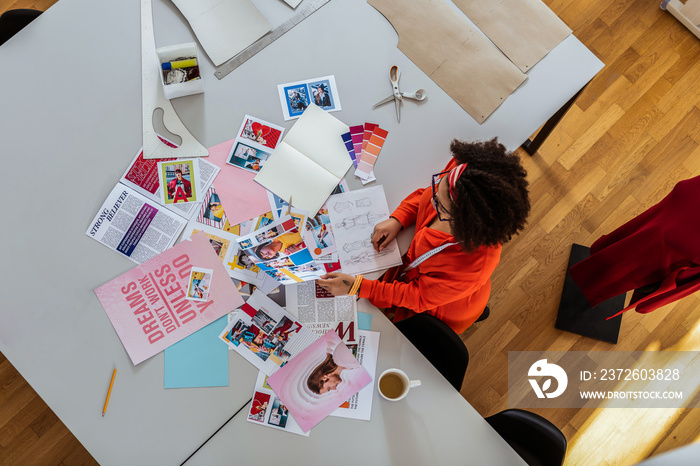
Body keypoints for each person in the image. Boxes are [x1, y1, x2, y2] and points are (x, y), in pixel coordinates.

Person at [317, 138, 530, 334]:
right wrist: (399, 219)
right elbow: (425, 195)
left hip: (437, 308)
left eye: (441, 205)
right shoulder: (463, 174)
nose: (435, 195)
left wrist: (357, 287)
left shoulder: (473, 265)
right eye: (441, 183)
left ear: (464, 224)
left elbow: (418, 297)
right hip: (418, 272)